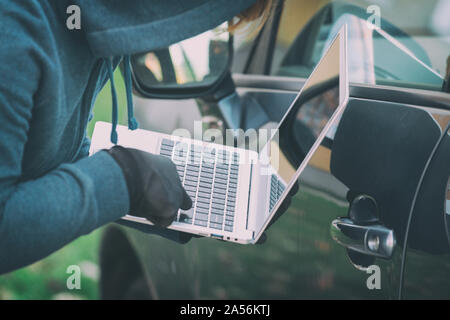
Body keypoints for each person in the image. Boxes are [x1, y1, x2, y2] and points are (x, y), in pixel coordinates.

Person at [0, 0, 292, 275]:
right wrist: (127, 177)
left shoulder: (93, 24)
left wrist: (187, 197)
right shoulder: (15, 23)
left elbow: (51, 155)